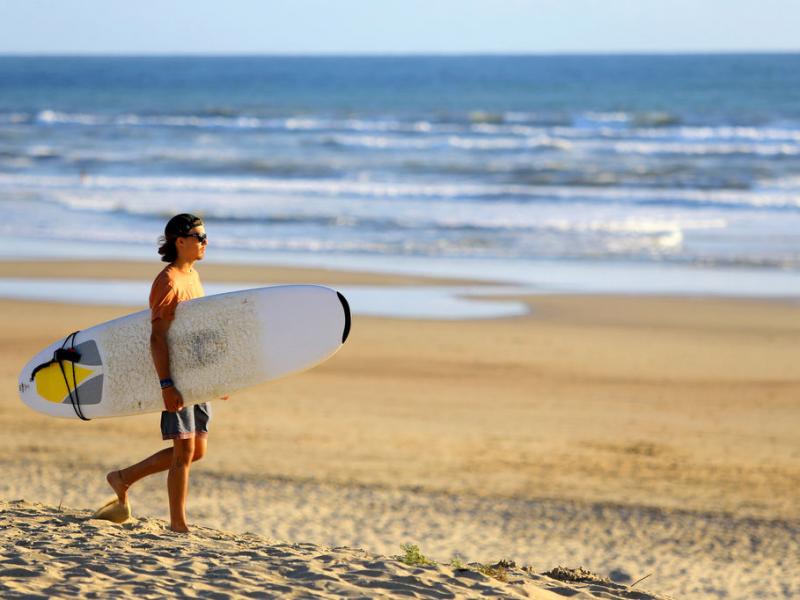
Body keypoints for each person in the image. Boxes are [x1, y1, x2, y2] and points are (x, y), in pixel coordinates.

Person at [105, 213, 213, 533]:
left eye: (206, 237)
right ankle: (178, 525)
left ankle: (123, 477)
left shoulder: (191, 276)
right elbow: (157, 337)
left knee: (198, 451)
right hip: (176, 376)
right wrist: (166, 383)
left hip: (196, 378)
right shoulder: (167, 282)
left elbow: (195, 331)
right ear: (180, 242)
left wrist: (217, 377)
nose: (206, 243)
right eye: (200, 237)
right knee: (184, 450)